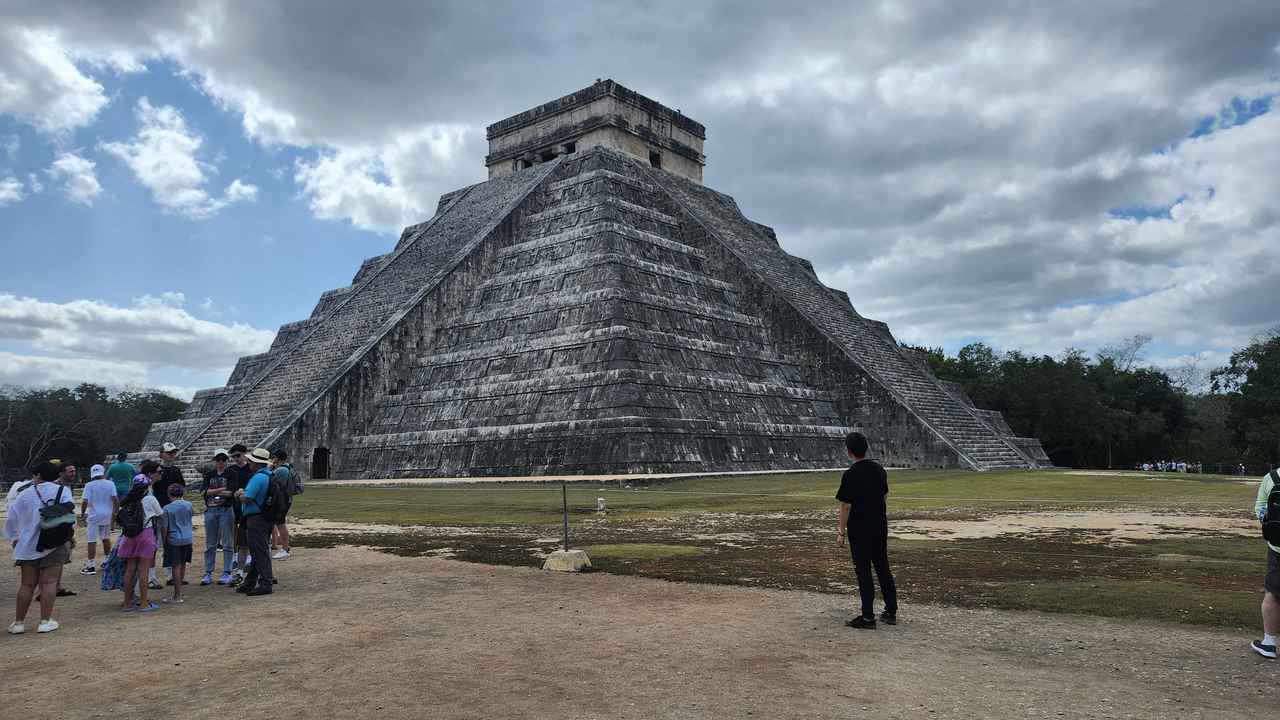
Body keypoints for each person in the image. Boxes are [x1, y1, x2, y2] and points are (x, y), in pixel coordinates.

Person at [835, 431, 897, 629]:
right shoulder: (879, 469)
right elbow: (885, 495)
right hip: (879, 525)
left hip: (859, 528)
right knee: (882, 567)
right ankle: (890, 611)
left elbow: (845, 506)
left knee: (863, 570)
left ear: (849, 451)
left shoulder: (850, 474)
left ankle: (868, 616)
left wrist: (841, 532)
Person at [5, 462, 71, 634]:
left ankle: (18, 623)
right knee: (49, 582)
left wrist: (14, 537)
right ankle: (45, 621)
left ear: (38, 475)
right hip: (54, 544)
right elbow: (70, 518)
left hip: (28, 545)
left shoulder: (24, 494)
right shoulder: (63, 491)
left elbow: (11, 519)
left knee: (26, 585)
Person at [117, 463, 164, 613]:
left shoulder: (127, 500)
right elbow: (159, 514)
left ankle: (127, 602)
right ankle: (143, 602)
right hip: (146, 533)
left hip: (129, 535)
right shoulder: (150, 499)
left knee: (130, 570)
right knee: (143, 570)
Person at [234, 448, 275, 596]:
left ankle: (265, 583)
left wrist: (239, 495)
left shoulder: (258, 478)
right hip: (265, 517)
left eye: (251, 461)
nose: (248, 463)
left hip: (256, 518)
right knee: (259, 550)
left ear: (256, 463)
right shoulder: (269, 475)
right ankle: (251, 582)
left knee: (259, 551)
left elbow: (248, 497)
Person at [1252, 465, 1280, 659]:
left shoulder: (1271, 477)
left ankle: (1269, 643)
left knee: (1273, 593)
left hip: (1278, 547)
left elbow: (1261, 511)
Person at [200, 449, 237, 585]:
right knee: (210, 543)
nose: (221, 462)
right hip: (211, 510)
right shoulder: (209, 474)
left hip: (225, 510)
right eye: (218, 460)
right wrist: (221, 490)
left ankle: (227, 571)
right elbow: (204, 492)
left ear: (226, 460)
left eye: (223, 459)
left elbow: (231, 493)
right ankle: (208, 572)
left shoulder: (231, 473)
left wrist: (213, 492)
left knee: (227, 542)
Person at [153, 442, 186, 588]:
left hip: (173, 510)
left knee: (171, 542)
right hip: (158, 510)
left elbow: (182, 488)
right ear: (161, 454)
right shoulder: (155, 471)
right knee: (155, 543)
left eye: (173, 452)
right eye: (169, 452)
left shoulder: (176, 470)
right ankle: (151, 576)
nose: (172, 455)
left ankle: (171, 575)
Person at [78, 464, 118, 575]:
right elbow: (115, 499)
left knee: (92, 540)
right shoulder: (111, 484)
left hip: (94, 515)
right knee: (105, 537)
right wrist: (115, 514)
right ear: (103, 472)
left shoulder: (89, 485)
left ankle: (91, 565)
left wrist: (82, 514)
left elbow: (85, 501)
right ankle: (107, 561)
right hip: (107, 514)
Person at [160, 484, 194, 604]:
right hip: (187, 537)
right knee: (183, 564)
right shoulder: (189, 505)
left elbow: (164, 528)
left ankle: (177, 594)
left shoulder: (167, 508)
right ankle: (180, 591)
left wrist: (164, 543)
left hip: (174, 539)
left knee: (175, 566)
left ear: (169, 494)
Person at [225, 443, 253, 585]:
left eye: (238, 455)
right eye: (233, 456)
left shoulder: (252, 468)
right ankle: (237, 559)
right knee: (236, 533)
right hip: (236, 504)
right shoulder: (231, 470)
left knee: (253, 538)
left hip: (250, 506)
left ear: (244, 454)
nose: (236, 459)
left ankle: (252, 564)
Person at [270, 448, 300, 560]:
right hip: (286, 499)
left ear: (277, 458)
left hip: (281, 500)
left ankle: (285, 548)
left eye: (274, 457)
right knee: (280, 523)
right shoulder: (286, 468)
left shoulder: (281, 470)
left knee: (280, 524)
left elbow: (271, 482)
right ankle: (284, 547)